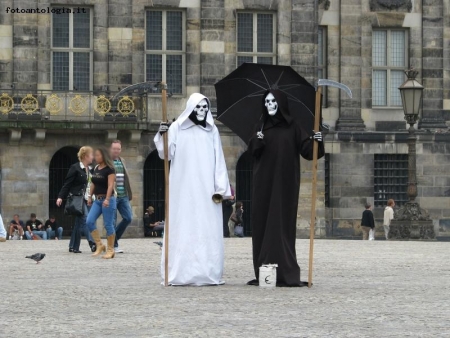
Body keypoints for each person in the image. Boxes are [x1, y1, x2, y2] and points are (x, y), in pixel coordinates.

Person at [247, 90, 324, 287]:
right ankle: (264, 270)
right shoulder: (260, 126)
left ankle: (285, 270)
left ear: (280, 103)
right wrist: (258, 140)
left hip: (285, 184)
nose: (269, 105)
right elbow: (253, 152)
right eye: (266, 101)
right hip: (264, 183)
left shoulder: (294, 128)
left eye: (273, 101)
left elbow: (308, 152)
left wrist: (317, 141)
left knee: (281, 225)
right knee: (263, 224)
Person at [154, 92, 231, 285]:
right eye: (198, 108)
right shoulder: (178, 128)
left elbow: (219, 159)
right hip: (183, 187)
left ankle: (207, 269)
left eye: (205, 108)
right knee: (184, 225)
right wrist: (162, 134)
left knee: (206, 227)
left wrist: (220, 188)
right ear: (190, 109)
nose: (202, 111)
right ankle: (180, 271)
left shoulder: (211, 131)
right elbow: (166, 153)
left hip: (206, 189)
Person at [57, 146, 94, 253]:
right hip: (78, 199)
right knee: (86, 220)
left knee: (79, 223)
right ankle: (92, 242)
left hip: (89, 199)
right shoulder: (75, 167)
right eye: (91, 155)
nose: (92, 157)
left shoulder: (91, 169)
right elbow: (67, 184)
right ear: (86, 156)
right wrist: (60, 196)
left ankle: (73, 246)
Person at [86, 147, 117, 259]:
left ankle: (110, 249)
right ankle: (99, 245)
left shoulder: (110, 169)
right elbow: (93, 182)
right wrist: (90, 195)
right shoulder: (96, 168)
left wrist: (108, 199)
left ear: (103, 156)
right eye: (95, 155)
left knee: (108, 224)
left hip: (108, 199)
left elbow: (110, 185)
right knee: (89, 221)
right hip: (97, 200)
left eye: (98, 155)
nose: (95, 157)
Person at [110, 140, 133, 254]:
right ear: (111, 149)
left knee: (128, 217)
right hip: (113, 196)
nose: (116, 151)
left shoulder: (122, 160)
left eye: (118, 149)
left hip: (123, 194)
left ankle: (114, 240)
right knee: (112, 221)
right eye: (114, 149)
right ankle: (114, 245)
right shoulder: (107, 161)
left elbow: (126, 178)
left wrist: (129, 192)